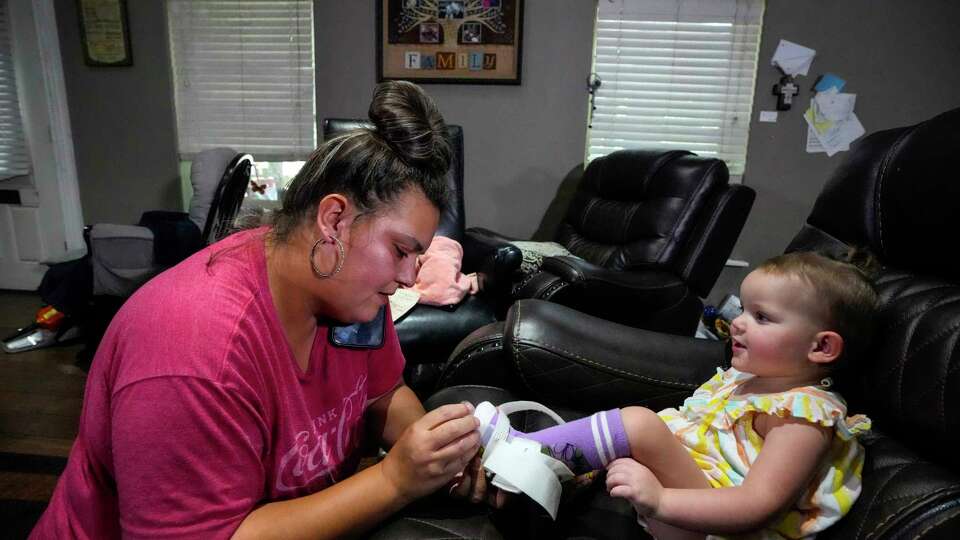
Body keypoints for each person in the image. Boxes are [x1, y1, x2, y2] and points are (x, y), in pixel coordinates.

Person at [31, 81, 499, 539]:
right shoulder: (193, 352)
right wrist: (394, 480)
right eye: (401, 250)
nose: (409, 275)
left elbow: (380, 391)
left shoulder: (351, 291)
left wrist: (438, 453)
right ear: (334, 220)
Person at [474, 250, 878, 539]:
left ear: (821, 347)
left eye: (762, 317)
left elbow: (758, 506)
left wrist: (662, 501)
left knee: (640, 424)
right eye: (743, 310)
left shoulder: (804, 417)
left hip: (712, 526)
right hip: (689, 501)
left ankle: (525, 451)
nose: (736, 324)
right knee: (631, 435)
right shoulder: (745, 381)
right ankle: (521, 478)